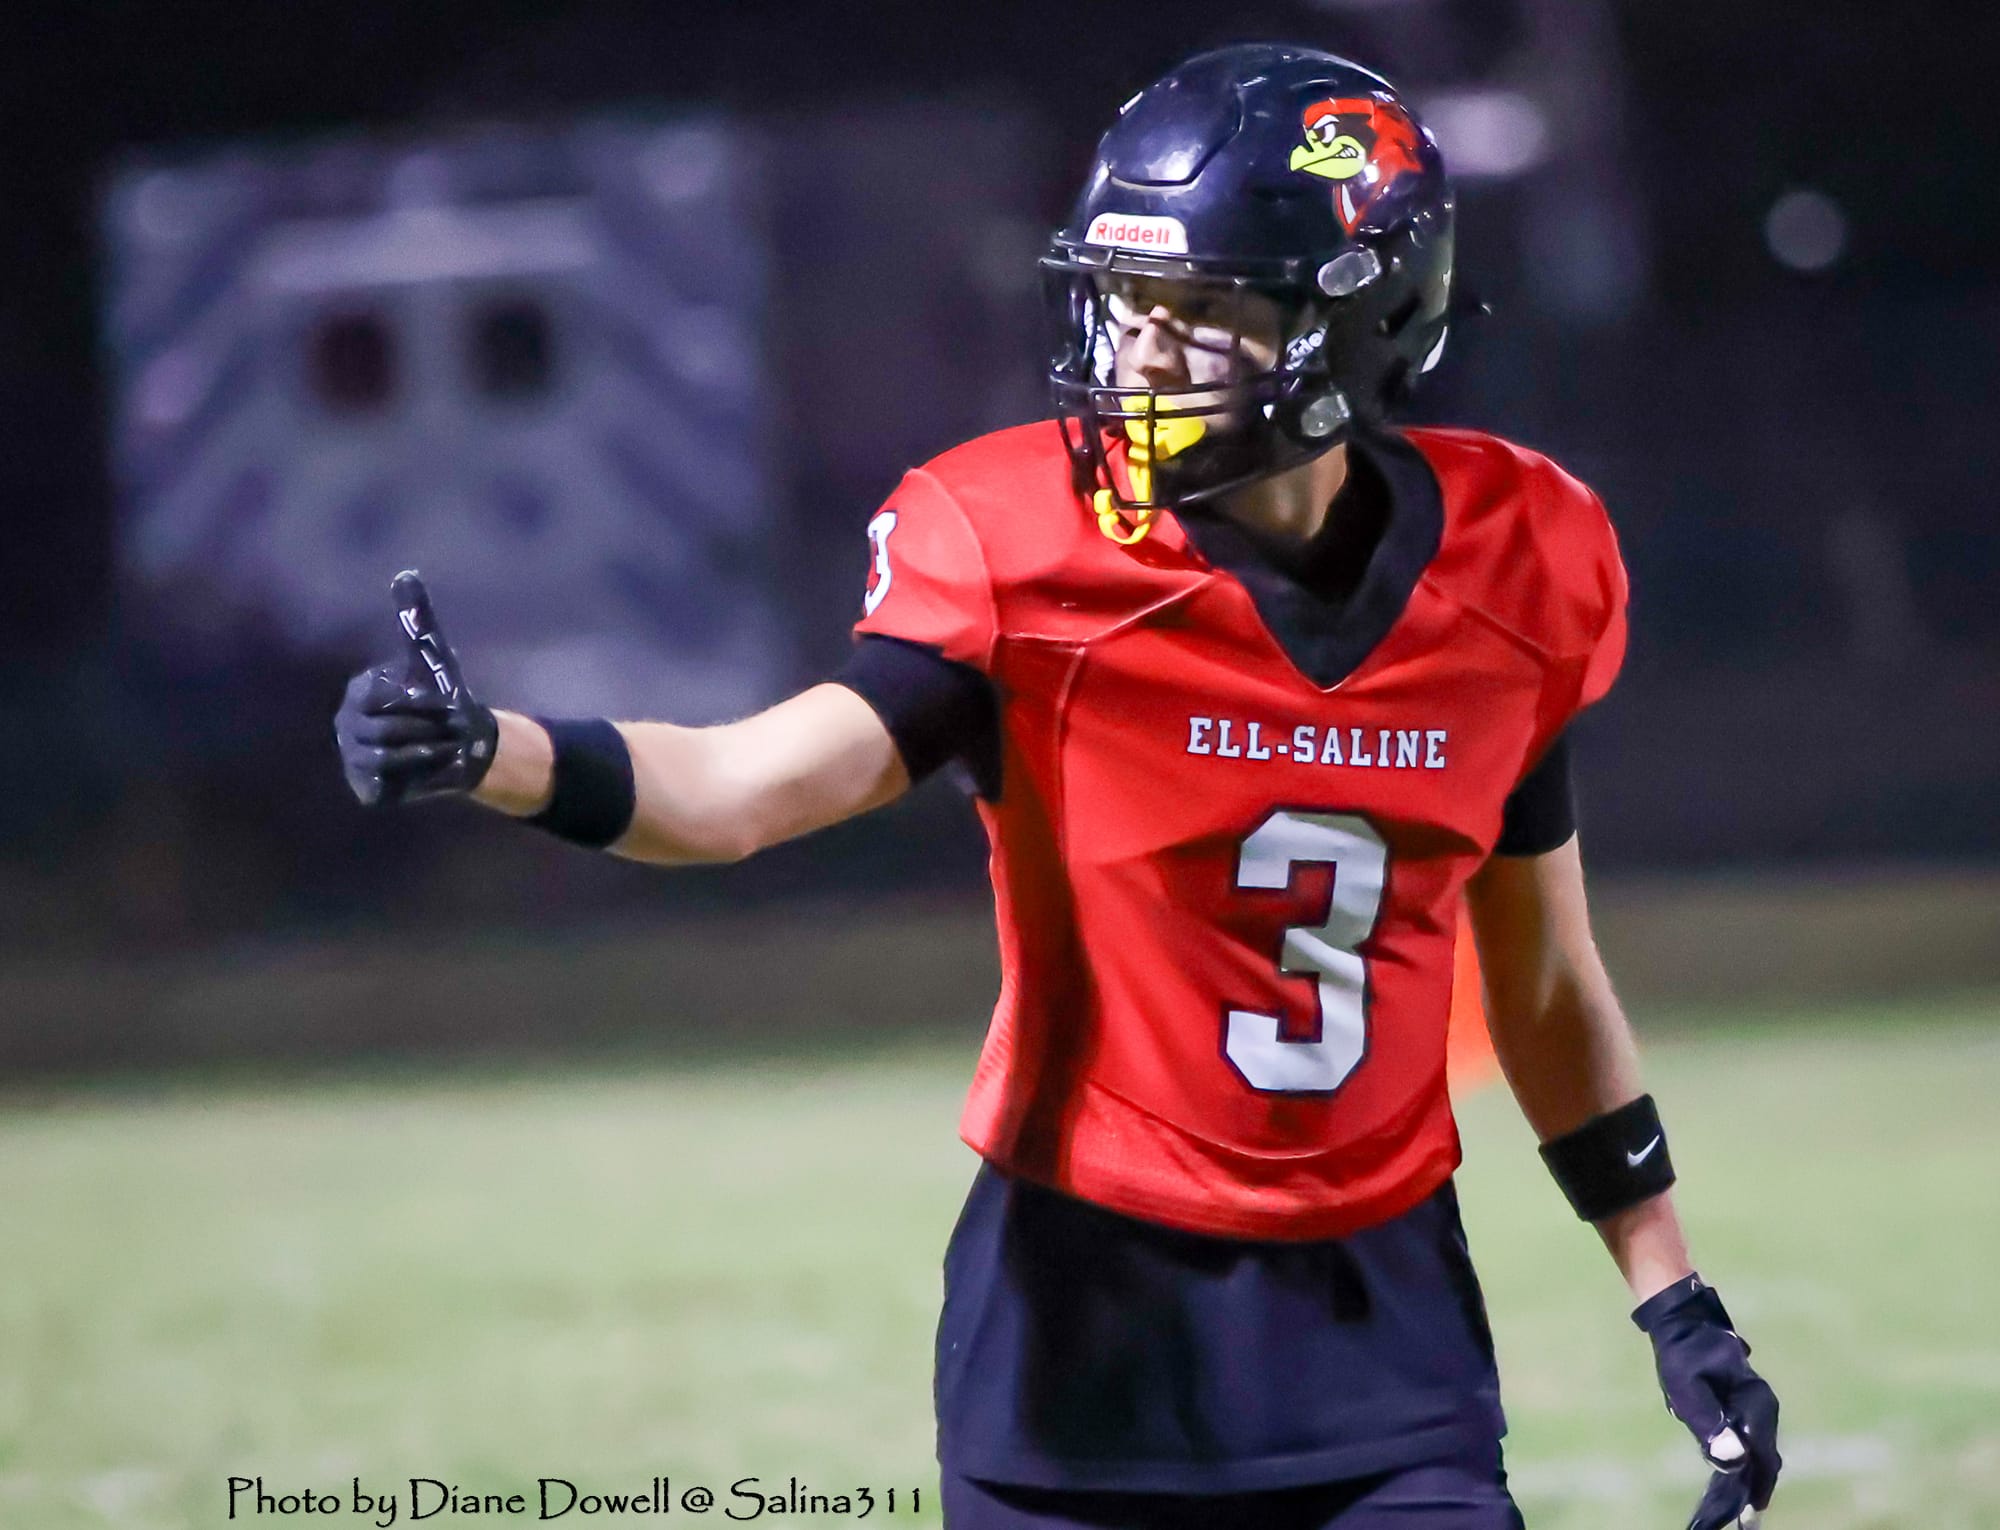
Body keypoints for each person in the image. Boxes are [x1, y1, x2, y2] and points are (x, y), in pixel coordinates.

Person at [336, 43, 1781, 1530]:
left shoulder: (1520, 562)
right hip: (1082, 1336)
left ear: (1360, 318)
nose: (1141, 352)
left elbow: (1543, 983)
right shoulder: (1029, 552)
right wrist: (497, 751)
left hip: (1384, 1339)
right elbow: (741, 788)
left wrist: (1671, 1293)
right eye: (1126, 300)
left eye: (1201, 310)